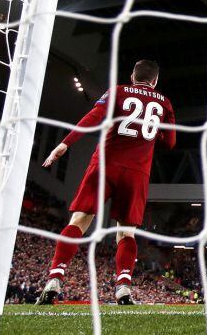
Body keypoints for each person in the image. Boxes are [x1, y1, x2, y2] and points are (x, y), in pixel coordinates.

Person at [37, 60, 175, 305]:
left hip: (105, 165)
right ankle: (123, 288)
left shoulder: (119, 91)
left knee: (79, 220)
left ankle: (55, 278)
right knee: (126, 232)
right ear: (155, 81)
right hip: (136, 173)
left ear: (133, 76)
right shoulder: (164, 102)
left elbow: (95, 116)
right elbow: (170, 143)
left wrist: (65, 143)